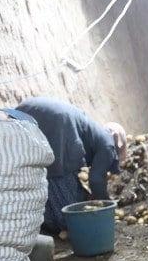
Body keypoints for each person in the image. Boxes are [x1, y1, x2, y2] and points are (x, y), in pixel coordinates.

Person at [15, 97, 126, 236]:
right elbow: (96, 180)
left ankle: (43, 222)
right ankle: (56, 223)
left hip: (29, 114)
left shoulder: (98, 133)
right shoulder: (108, 144)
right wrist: (107, 206)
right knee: (68, 207)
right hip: (56, 123)